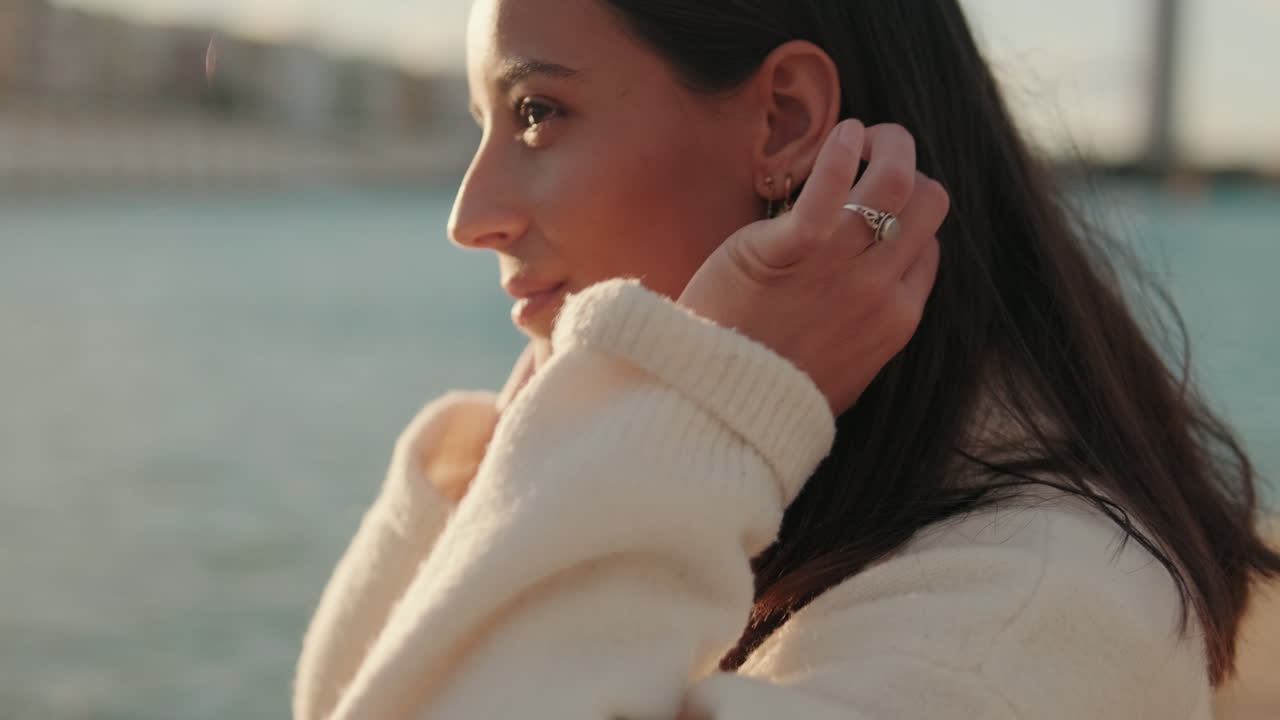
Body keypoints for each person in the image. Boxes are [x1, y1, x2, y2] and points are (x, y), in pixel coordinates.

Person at [293, 1, 1280, 718]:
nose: (470, 217)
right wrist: (536, 457)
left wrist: (689, 406)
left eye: (538, 113)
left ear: (785, 122)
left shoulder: (1014, 626)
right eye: (482, 126)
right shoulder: (727, 494)